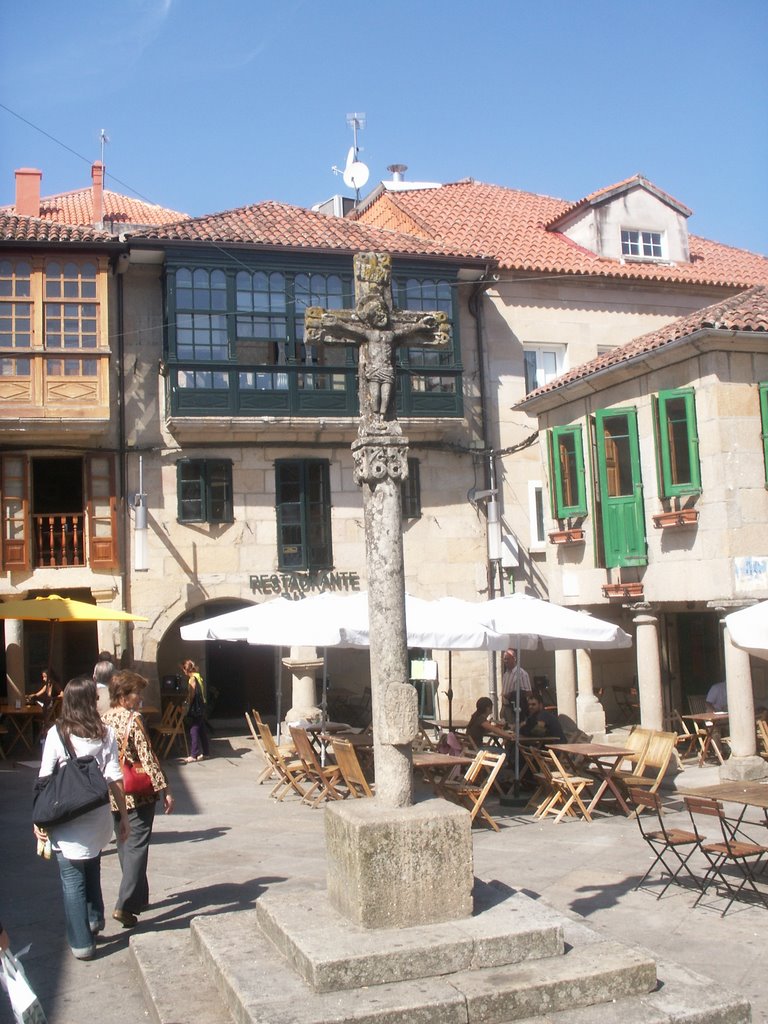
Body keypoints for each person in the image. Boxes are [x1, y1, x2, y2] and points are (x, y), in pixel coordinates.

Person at [34, 676, 129, 960]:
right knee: (92, 863)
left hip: (66, 816)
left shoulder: (57, 733)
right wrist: (123, 816)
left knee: (72, 878)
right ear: (90, 701)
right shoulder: (106, 732)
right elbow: (114, 777)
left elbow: (44, 776)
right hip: (97, 815)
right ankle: (94, 918)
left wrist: (38, 819)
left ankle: (82, 943)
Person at [102, 670, 174, 928]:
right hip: (138, 793)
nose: (140, 697)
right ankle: (125, 904)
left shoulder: (103, 719)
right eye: (136, 692)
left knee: (124, 844)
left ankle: (139, 897)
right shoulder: (134, 720)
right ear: (123, 696)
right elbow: (148, 756)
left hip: (113, 792)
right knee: (137, 845)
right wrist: (164, 788)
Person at [181, 659, 210, 763]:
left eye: (183, 669)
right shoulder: (198, 676)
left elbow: (192, 694)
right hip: (202, 706)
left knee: (194, 729)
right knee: (201, 729)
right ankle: (206, 752)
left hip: (196, 708)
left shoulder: (192, 679)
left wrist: (187, 703)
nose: (183, 672)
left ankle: (194, 754)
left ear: (186, 669)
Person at [501, 648, 531, 725]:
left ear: (514, 659)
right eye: (504, 659)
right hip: (506, 707)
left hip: (516, 708)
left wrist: (512, 694)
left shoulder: (521, 673)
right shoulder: (505, 674)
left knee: (515, 730)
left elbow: (528, 692)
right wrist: (503, 708)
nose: (505, 661)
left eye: (508, 659)